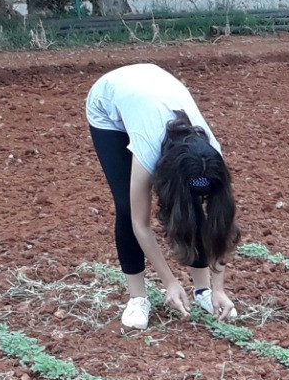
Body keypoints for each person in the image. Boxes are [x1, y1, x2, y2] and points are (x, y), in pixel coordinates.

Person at [85, 63, 239, 330]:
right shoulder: (148, 151)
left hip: (153, 86)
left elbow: (218, 224)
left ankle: (202, 291)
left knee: (192, 207)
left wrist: (219, 288)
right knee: (126, 206)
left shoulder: (212, 156)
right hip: (109, 103)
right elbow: (140, 224)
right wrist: (170, 282)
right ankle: (137, 297)